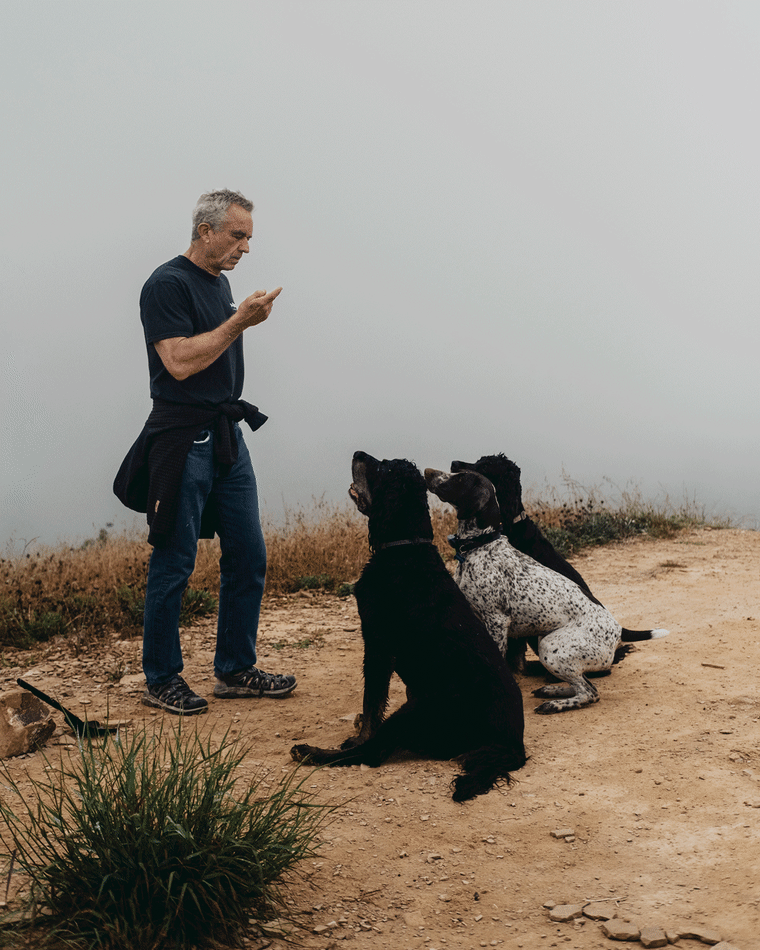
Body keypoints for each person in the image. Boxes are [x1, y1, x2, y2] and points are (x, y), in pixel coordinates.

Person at [114, 189, 296, 715]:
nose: (245, 247)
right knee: (175, 559)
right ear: (205, 231)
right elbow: (177, 362)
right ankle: (161, 678)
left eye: (249, 238)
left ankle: (235, 670)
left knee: (249, 555)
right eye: (238, 235)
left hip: (225, 436)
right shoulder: (166, 284)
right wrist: (240, 321)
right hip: (180, 437)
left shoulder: (222, 284)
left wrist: (238, 314)